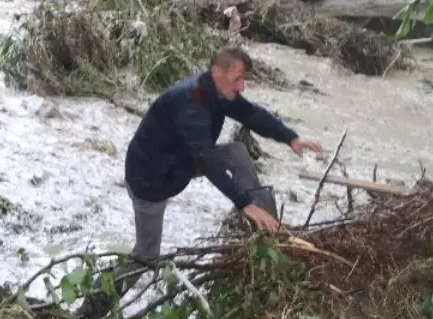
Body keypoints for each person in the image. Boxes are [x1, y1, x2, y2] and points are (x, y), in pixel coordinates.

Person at [124, 44, 323, 266]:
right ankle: (98, 301)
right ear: (218, 72)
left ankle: (269, 231)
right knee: (145, 258)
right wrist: (243, 203)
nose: (242, 87)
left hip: (180, 161)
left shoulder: (217, 92)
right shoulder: (192, 102)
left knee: (236, 151)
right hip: (150, 179)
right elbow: (207, 160)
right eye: (238, 79)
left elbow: (251, 113)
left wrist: (290, 137)